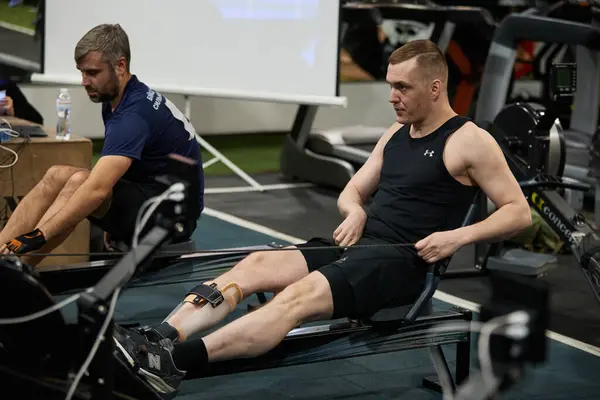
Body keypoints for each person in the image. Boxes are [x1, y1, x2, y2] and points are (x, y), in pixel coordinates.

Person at [113, 39, 532, 397]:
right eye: (390, 86)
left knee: (297, 297)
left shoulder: (470, 141)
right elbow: (355, 189)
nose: (392, 97)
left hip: (404, 266)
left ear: (436, 87)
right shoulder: (396, 133)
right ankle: (159, 339)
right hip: (362, 245)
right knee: (255, 265)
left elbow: (519, 213)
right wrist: (353, 211)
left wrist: (456, 239)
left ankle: (173, 364)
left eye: (402, 87)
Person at [0, 24, 204, 265]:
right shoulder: (121, 98)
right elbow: (115, 171)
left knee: (81, 184)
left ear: (120, 66)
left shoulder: (132, 116)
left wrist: (39, 235)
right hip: (151, 197)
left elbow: (97, 190)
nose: (84, 82)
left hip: (172, 220)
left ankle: (15, 276)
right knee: (56, 175)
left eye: (92, 73)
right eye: (82, 73)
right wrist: (111, 216)